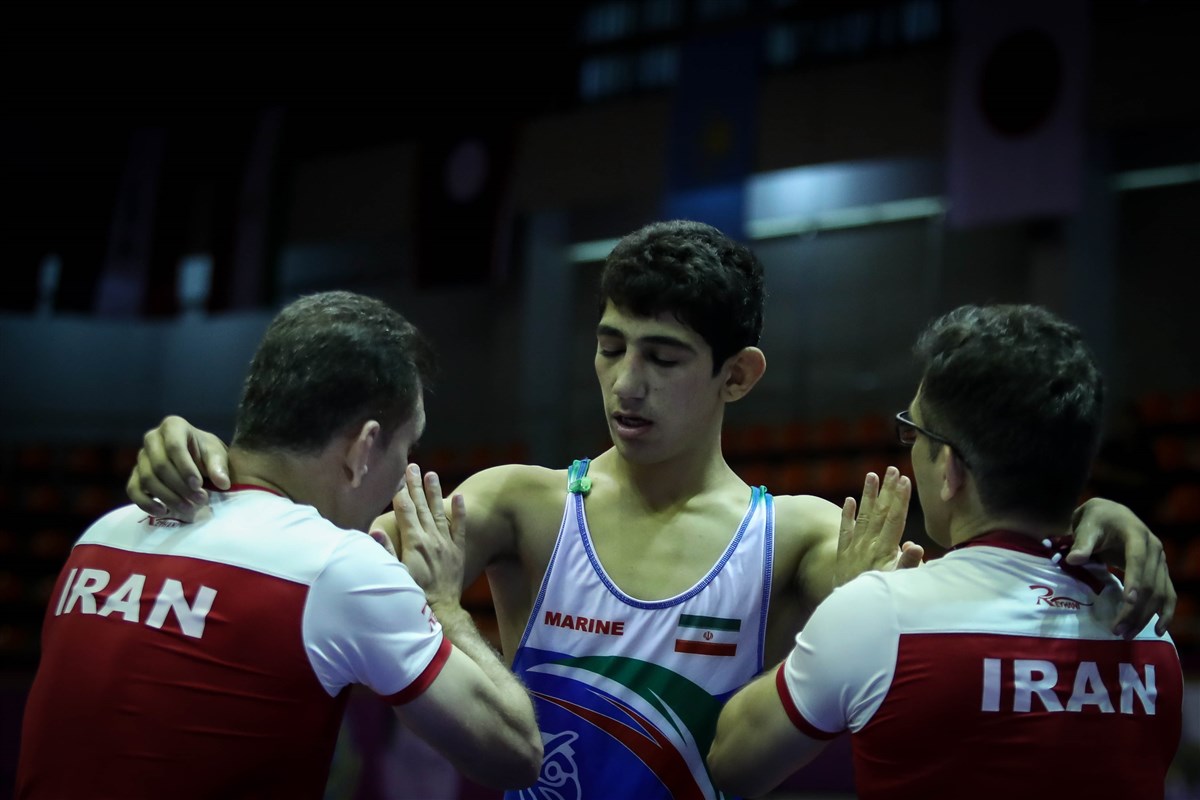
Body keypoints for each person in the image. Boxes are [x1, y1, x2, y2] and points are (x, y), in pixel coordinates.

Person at [127, 222, 1176, 800]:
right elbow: (309, 540)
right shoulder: (520, 503)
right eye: (610, 345)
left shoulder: (803, 534)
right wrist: (216, 463)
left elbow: (981, 571)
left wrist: (1098, 517)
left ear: (738, 374)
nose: (626, 383)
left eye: (664, 357)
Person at [16, 291, 542, 799]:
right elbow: (517, 754)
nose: (403, 470)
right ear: (363, 449)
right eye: (408, 446)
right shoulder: (336, 566)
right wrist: (443, 604)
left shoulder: (102, 535)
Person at [707, 303, 1183, 799]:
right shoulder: (1151, 631)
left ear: (951, 468)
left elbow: (731, 763)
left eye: (914, 432)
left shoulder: (881, 616)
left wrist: (841, 609)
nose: (911, 448)